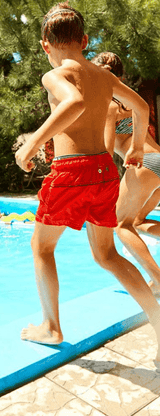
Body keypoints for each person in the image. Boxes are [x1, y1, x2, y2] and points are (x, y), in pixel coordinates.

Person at [15, 2, 160, 367]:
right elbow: (141, 108)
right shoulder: (105, 76)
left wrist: (32, 142)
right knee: (107, 255)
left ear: (45, 44)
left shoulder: (56, 75)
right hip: (103, 171)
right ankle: (158, 322)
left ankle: (51, 326)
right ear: (85, 39)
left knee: (42, 248)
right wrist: (138, 146)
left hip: (72, 172)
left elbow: (74, 102)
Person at [91, 52, 160, 296]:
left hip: (145, 166)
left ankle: (158, 281)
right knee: (138, 221)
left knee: (121, 225)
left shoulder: (109, 105)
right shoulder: (130, 100)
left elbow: (107, 150)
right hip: (158, 161)